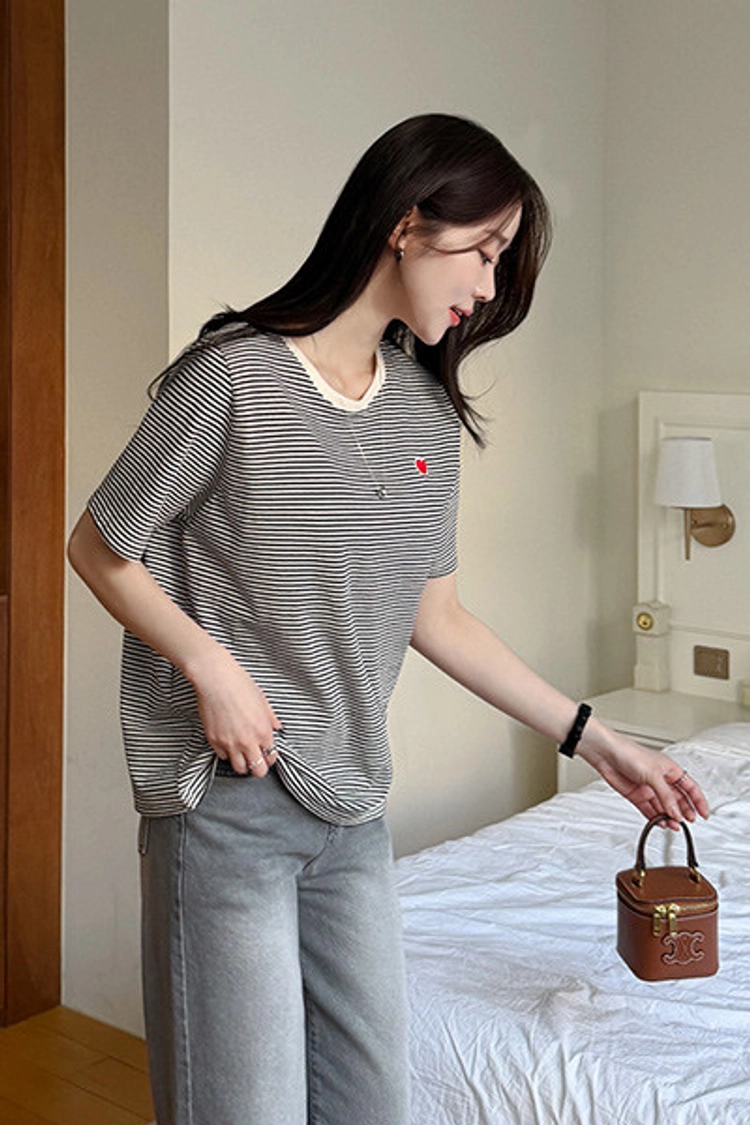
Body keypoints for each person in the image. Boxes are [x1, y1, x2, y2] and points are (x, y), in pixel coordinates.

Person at [68, 113, 708, 1125]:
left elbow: (436, 615)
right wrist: (208, 665)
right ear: (406, 224)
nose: (490, 285)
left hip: (354, 812)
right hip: (228, 808)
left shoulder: (424, 414)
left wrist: (597, 740)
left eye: (502, 260)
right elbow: (100, 544)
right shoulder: (230, 378)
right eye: (484, 250)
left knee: (370, 1105)